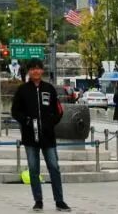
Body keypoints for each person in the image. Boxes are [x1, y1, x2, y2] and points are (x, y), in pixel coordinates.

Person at [10, 59, 71, 211]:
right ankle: (38, 201)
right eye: (32, 69)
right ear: (29, 71)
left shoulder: (49, 89)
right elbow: (15, 111)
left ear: (42, 71)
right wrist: (26, 121)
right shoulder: (22, 90)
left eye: (38, 69)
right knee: (33, 169)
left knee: (54, 167)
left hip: (48, 137)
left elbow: (59, 111)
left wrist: (49, 124)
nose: (36, 71)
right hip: (30, 137)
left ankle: (59, 201)